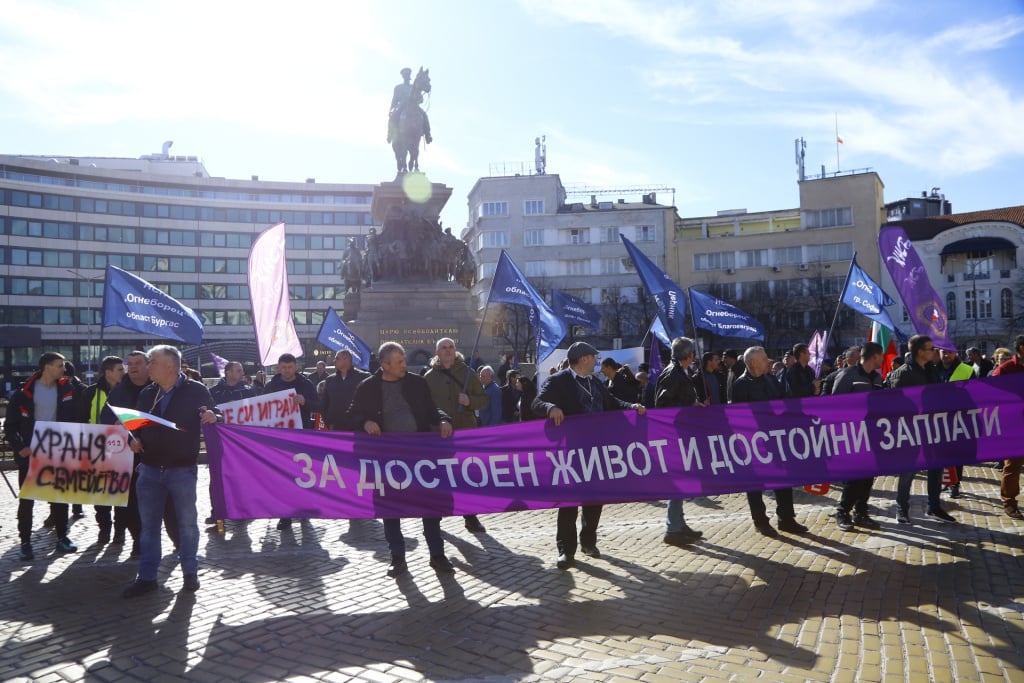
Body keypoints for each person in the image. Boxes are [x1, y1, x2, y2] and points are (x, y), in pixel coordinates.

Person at [532, 341, 646, 569]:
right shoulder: (559, 381)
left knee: (594, 500)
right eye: (594, 357)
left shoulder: (595, 382)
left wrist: (631, 406)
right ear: (584, 359)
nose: (597, 361)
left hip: (597, 452)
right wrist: (551, 409)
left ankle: (589, 542)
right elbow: (537, 402)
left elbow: (612, 403)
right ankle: (566, 550)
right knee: (569, 503)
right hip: (570, 452)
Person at [347, 342, 454, 577]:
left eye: (404, 359)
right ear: (385, 365)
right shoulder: (367, 387)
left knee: (430, 507)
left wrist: (444, 420)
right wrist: (365, 422)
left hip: (420, 457)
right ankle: (397, 557)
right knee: (390, 508)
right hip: (386, 459)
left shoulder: (418, 383)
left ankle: (437, 555)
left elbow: (431, 409)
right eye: (399, 362)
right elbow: (353, 413)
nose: (405, 364)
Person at [122, 345, 219, 598]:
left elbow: (213, 412)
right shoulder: (147, 393)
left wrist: (212, 415)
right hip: (150, 470)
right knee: (149, 526)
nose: (147, 365)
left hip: (182, 470)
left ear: (170, 367)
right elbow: (136, 427)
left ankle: (190, 573)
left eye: (152, 361)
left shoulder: (196, 390)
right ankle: (147, 577)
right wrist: (133, 439)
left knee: (187, 525)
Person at [5, 352, 80, 561]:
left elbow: (75, 417)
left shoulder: (67, 389)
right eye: (60, 365)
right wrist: (20, 447)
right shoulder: (24, 394)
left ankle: (62, 537)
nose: (64, 369)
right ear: (47, 367)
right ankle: (25, 542)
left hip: (57, 452)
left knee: (59, 497)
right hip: (31, 455)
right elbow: (10, 426)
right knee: (27, 499)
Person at [731, 346, 808, 537]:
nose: (768, 361)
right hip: (754, 442)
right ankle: (761, 521)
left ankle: (786, 519)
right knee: (755, 483)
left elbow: (784, 400)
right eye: (764, 359)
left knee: (784, 479)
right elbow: (738, 416)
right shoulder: (740, 385)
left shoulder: (771, 379)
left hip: (776, 439)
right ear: (754, 363)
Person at [886, 335, 955, 524]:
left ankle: (934, 506)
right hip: (911, 429)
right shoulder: (903, 373)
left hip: (932, 427)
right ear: (919, 352)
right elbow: (896, 403)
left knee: (936, 467)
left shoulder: (931, 370)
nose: (934, 352)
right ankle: (902, 508)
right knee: (908, 470)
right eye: (930, 348)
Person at [424, 337, 489, 533]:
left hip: (464, 432)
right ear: (437, 352)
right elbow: (425, 406)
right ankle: (436, 518)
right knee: (440, 476)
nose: (448, 350)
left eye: (450, 347)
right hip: (439, 434)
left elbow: (483, 399)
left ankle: (470, 516)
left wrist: (470, 401)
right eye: (443, 348)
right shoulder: (428, 377)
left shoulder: (468, 373)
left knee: (465, 476)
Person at [654, 337, 705, 548]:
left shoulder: (679, 371)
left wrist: (693, 403)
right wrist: (690, 405)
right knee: (677, 482)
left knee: (681, 482)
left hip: (680, 434)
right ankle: (672, 529)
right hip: (674, 435)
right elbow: (663, 405)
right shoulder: (673, 373)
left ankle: (678, 523)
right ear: (689, 355)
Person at [264, 353, 322, 530]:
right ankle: (285, 515)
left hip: (301, 436)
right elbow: (261, 408)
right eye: (284, 367)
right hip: (280, 439)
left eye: (290, 367)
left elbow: (318, 406)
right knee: (282, 477)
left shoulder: (305, 384)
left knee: (303, 475)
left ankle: (304, 508)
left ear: (295, 367)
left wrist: (305, 401)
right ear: (279, 367)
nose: (287, 371)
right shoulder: (272, 385)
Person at [831, 342, 885, 531]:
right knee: (854, 477)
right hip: (852, 435)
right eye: (882, 355)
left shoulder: (878, 378)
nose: (883, 359)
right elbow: (834, 404)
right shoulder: (848, 375)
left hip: (872, 435)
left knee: (868, 477)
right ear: (874, 356)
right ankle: (842, 512)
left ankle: (861, 513)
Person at [80, 355, 126, 545]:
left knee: (122, 493)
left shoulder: (128, 392)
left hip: (122, 451)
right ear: (108, 373)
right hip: (97, 450)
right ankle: (104, 529)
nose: (124, 372)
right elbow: (81, 419)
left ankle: (120, 532)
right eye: (119, 369)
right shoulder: (90, 393)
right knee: (101, 494)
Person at [992, 335, 1024, 519]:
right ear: (1021, 348)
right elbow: (991, 394)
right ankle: (1009, 503)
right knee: (1012, 465)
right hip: (1013, 424)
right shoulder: (1005, 370)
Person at [936, 348, 975, 498]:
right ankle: (945, 481)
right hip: (938, 419)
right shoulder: (933, 369)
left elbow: (974, 393)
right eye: (943, 352)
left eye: (949, 352)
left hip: (958, 419)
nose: (946, 355)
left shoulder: (966, 370)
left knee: (957, 454)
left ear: (956, 353)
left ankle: (955, 484)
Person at [321, 349, 371, 431]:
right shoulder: (330, 380)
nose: (334, 361)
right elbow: (325, 404)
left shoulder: (363, 377)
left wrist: (365, 422)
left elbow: (370, 403)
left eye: (337, 358)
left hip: (358, 429)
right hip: (336, 429)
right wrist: (328, 422)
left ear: (346, 359)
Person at [387, 67, 431, 144]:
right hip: (402, 105)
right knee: (393, 117)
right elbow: (394, 100)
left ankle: (428, 135)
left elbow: (421, 99)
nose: (406, 76)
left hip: (414, 106)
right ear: (403, 76)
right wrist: (391, 109)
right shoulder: (398, 88)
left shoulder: (413, 86)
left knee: (424, 115)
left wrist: (419, 99)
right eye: (405, 75)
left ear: (409, 76)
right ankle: (390, 134)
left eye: (407, 74)